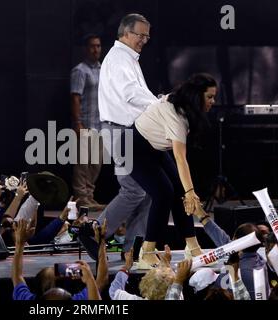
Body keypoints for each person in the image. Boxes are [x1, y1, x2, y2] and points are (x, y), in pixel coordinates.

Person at [128, 73, 217, 268]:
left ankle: (192, 247)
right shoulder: (177, 115)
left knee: (179, 192)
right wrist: (191, 192)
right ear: (196, 96)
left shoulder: (185, 108)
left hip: (154, 148)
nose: (213, 101)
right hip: (133, 150)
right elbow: (180, 157)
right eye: (209, 97)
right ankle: (147, 252)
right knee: (163, 193)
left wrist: (188, 193)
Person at [96, 13, 158, 259]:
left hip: (127, 131)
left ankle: (130, 249)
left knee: (146, 190)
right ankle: (94, 231)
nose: (144, 40)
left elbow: (138, 92)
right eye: (140, 35)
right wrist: (159, 105)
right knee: (134, 190)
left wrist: (158, 102)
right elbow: (131, 94)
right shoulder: (120, 58)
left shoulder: (128, 58)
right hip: (119, 131)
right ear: (125, 33)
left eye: (147, 36)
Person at [70, 34, 105, 211]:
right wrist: (77, 123)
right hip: (85, 123)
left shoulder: (103, 69)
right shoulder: (80, 70)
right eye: (92, 46)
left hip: (99, 124)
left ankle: (89, 196)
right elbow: (75, 98)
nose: (95, 49)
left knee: (95, 163)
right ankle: (80, 198)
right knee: (82, 163)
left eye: (98, 46)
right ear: (86, 48)